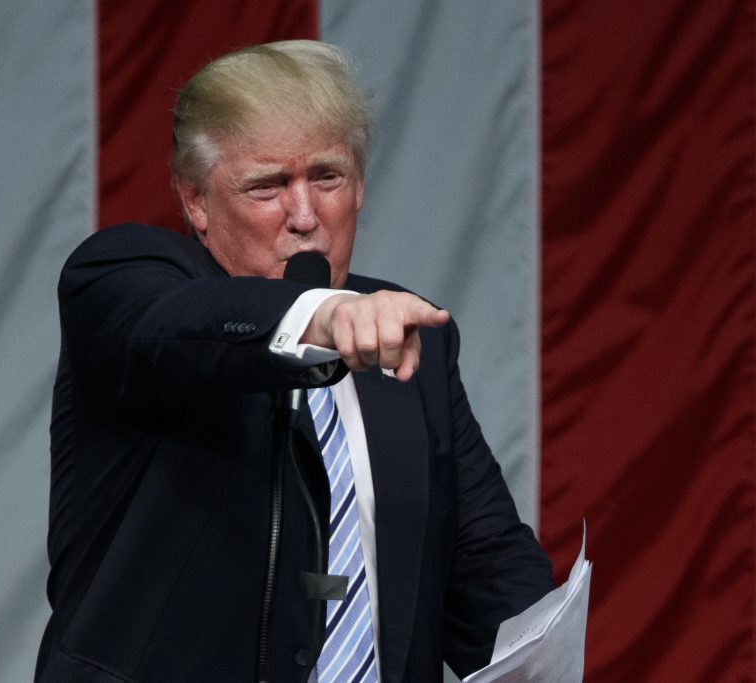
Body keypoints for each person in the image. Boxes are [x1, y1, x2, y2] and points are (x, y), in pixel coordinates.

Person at [36, 40, 554, 682]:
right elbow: (173, 328)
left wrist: (548, 656)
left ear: (360, 186)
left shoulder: (408, 340)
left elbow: (487, 567)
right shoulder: (121, 278)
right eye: (268, 186)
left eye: (327, 177)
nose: (305, 215)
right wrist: (320, 316)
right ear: (196, 201)